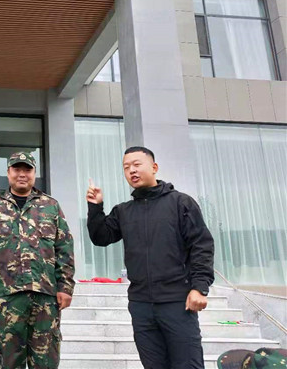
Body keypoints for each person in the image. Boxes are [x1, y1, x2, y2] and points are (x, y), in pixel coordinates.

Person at [86, 146, 215, 369]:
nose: (132, 171)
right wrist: (96, 207)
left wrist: (200, 287)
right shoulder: (124, 211)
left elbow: (201, 245)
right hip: (141, 304)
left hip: (177, 301)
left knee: (188, 364)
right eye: (126, 167)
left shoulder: (180, 203)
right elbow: (101, 237)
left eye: (137, 165)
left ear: (154, 167)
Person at [0, 151, 75, 369]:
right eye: (17, 169)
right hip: (7, 297)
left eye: (27, 170)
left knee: (46, 361)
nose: (22, 174)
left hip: (45, 296)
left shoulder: (51, 205)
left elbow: (64, 247)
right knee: (8, 361)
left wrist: (65, 287)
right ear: (8, 173)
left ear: (34, 173)